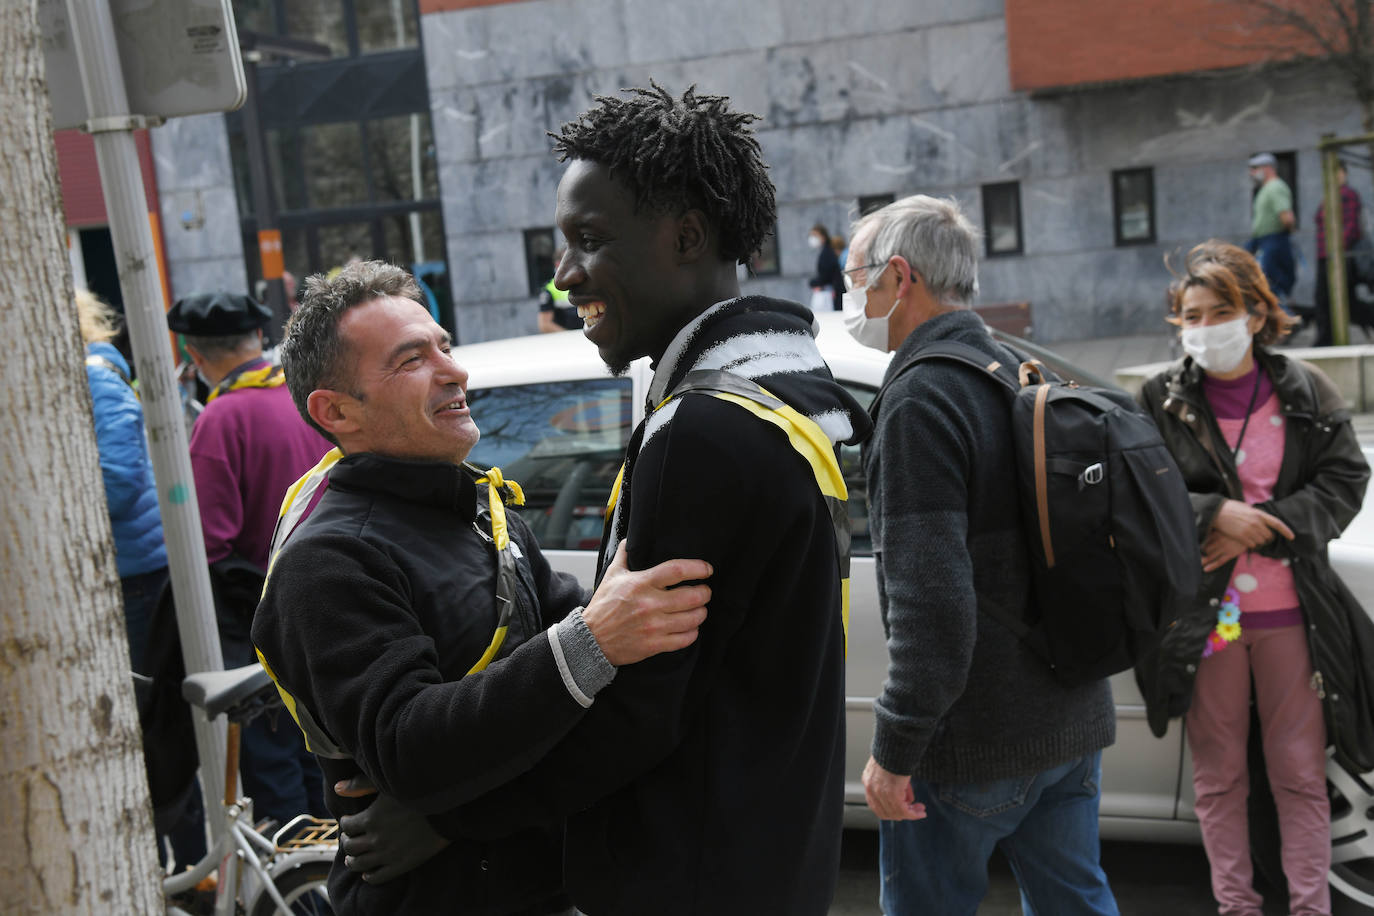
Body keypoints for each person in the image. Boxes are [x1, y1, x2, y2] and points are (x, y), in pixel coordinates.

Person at [350, 83, 870, 915]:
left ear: (686, 237)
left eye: (588, 241)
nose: (563, 278)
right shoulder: (787, 390)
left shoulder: (699, 431)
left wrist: (454, 816)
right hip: (773, 866)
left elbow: (638, 714)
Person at [251, 259, 713, 914]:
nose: (455, 372)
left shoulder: (480, 509)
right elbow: (412, 751)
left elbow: (592, 704)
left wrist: (449, 819)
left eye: (445, 346)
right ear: (336, 412)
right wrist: (592, 638)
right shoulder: (328, 562)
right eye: (412, 360)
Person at [849, 195, 1119, 916]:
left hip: (973, 743)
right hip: (1068, 717)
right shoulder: (1016, 369)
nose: (851, 300)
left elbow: (932, 609)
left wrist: (894, 751)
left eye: (855, 281)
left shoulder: (920, 401)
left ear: (898, 277)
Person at [1136, 240, 1369, 916]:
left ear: (1258, 314)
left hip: (1293, 617)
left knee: (1299, 775)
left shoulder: (1304, 389)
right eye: (1190, 316)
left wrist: (1264, 521)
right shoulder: (1161, 398)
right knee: (1219, 777)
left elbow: (1346, 480)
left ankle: (1309, 908)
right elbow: (1138, 496)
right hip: (1206, 623)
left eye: (1219, 312)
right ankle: (1236, 907)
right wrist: (1214, 511)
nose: (1204, 329)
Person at [166, 290, 333, 827]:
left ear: (194, 354)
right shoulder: (305, 395)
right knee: (321, 756)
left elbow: (209, 541)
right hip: (328, 595)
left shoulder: (220, 419)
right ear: (259, 338)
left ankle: (298, 902)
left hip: (260, 616)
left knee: (275, 764)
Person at [77, 289, 207, 872]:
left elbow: (120, 481)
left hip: (136, 577)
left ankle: (185, 867)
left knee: (152, 726)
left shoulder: (97, 378)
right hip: (124, 571)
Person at [1313, 160, 1365, 345]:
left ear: (1344, 173)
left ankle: (1325, 340)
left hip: (1337, 256)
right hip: (1325, 255)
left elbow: (1351, 226)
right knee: (1326, 299)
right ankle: (1326, 339)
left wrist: (1337, 249)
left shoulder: (1347, 195)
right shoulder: (1330, 196)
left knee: (1336, 300)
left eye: (1338, 172)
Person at [1246, 152, 1297, 309]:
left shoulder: (1275, 187)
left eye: (1255, 168)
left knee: (1270, 282)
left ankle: (1286, 318)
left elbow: (1287, 218)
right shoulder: (1265, 189)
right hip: (1262, 241)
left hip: (1274, 241)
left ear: (1267, 168)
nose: (1252, 173)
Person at [537, 247, 581, 332]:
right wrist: (570, 337)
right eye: (569, 261)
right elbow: (544, 325)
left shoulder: (585, 283)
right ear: (558, 264)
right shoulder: (549, 290)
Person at [808, 221, 845, 311]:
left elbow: (826, 275)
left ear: (823, 237)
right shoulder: (826, 251)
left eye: (815, 235)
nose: (813, 238)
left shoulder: (827, 253)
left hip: (831, 294)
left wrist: (813, 282)